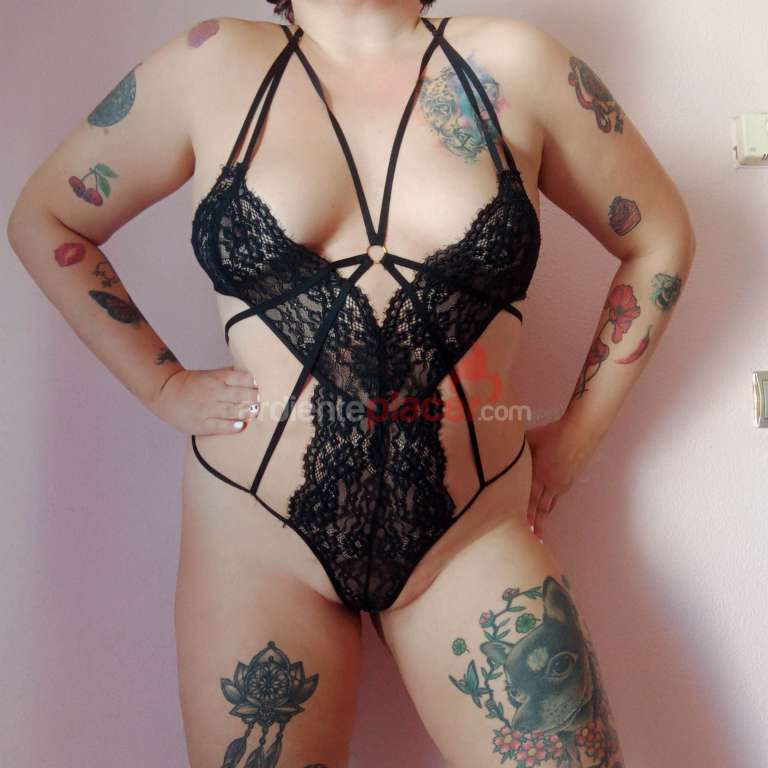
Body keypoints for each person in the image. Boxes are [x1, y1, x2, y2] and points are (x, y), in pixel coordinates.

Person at [7, 0, 695, 765]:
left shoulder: (518, 63)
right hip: (255, 537)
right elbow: (47, 218)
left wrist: (576, 442)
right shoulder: (210, 63)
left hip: (469, 534)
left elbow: (660, 238)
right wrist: (162, 386)